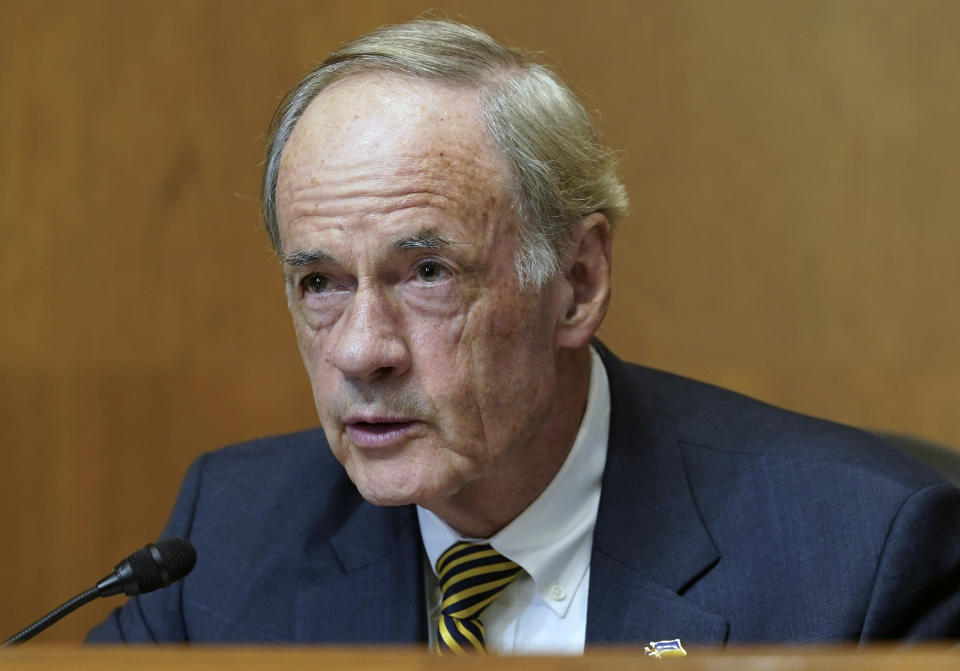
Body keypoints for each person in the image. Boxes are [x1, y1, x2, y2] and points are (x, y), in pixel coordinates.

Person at [88, 19, 960, 651]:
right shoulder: (229, 541)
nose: (360, 350)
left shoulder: (859, 558)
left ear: (577, 284)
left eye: (427, 273)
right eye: (320, 283)